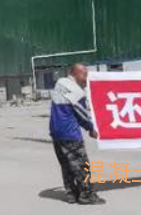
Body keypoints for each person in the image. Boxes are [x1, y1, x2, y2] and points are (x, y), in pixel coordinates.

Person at [49, 63, 105, 205]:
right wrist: (91, 128)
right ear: (75, 74)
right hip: (70, 133)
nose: (86, 79)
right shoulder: (77, 92)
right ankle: (87, 195)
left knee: (66, 165)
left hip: (56, 132)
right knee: (81, 165)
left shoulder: (60, 83)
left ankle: (71, 194)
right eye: (84, 75)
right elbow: (82, 114)